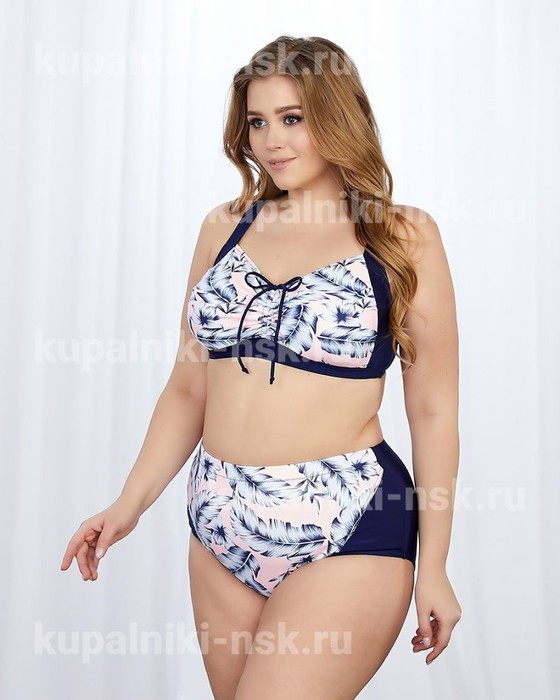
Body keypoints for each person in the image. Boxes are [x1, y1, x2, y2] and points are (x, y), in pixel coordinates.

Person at [61, 35, 462, 700]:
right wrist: (128, 504)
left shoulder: (402, 235)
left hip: (346, 519)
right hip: (218, 517)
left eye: (292, 118)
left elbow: (433, 410)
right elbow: (188, 388)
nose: (272, 141)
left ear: (337, 117)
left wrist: (437, 565)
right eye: (257, 122)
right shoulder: (225, 227)